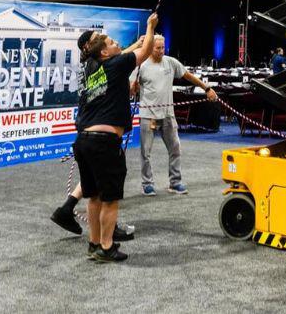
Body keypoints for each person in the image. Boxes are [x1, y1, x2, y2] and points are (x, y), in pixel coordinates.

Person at [71, 13, 157, 264]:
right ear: (104, 52)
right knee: (110, 199)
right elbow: (145, 52)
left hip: (84, 141)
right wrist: (150, 27)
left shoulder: (92, 69)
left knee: (94, 196)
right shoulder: (117, 64)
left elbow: (124, 53)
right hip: (104, 143)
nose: (116, 42)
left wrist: (133, 45)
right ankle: (107, 247)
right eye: (110, 42)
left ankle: (94, 243)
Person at [132, 35, 219, 196]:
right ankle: (147, 184)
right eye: (158, 48)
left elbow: (188, 75)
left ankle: (175, 182)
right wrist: (134, 87)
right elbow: (131, 90)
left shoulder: (170, 62)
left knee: (175, 148)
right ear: (150, 48)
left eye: (163, 47)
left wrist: (206, 88)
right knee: (146, 152)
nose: (161, 51)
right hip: (148, 115)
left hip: (167, 114)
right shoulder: (141, 65)